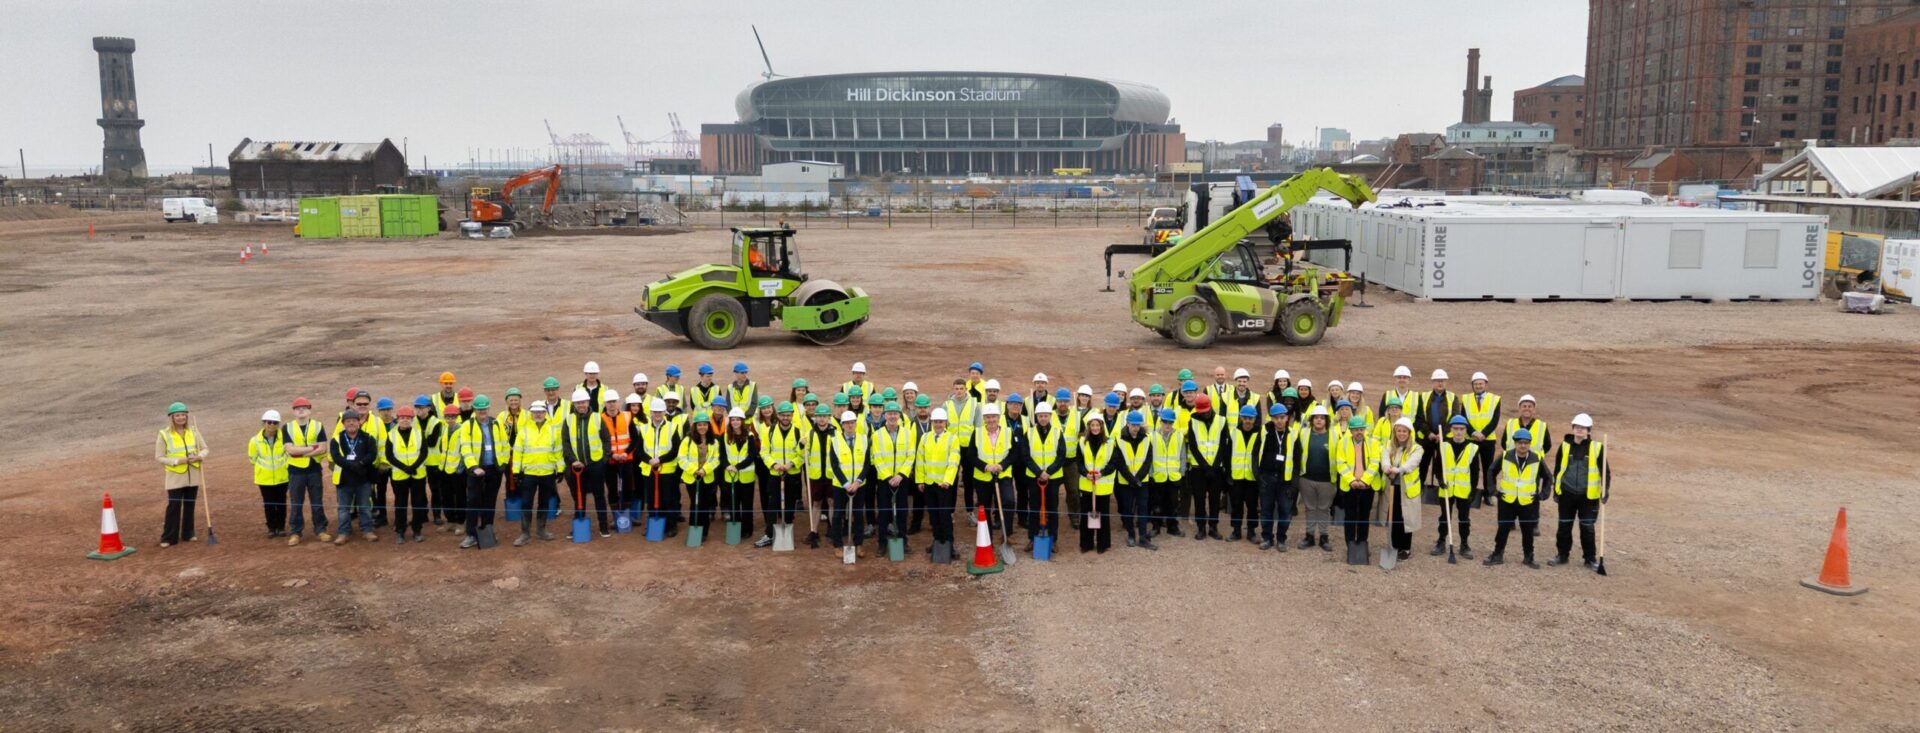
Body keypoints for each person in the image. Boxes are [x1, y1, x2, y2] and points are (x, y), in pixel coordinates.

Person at [1550, 413, 1611, 569]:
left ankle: (1590, 559)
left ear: (1588, 431)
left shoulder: (1597, 448)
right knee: (1564, 526)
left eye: (1583, 427)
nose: (1579, 429)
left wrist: (1605, 491)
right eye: (1577, 427)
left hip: (1588, 496)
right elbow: (1558, 470)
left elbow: (1605, 472)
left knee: (1587, 528)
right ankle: (1562, 555)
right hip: (1566, 494)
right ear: (1573, 428)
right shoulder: (1564, 446)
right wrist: (1556, 491)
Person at [1485, 429, 1547, 568]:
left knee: (1527, 530)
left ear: (1530, 444)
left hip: (1527, 501)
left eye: (1526, 443)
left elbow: (1548, 477)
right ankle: (1497, 554)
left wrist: (1543, 495)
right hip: (1507, 500)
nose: (1523, 446)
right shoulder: (1506, 456)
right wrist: (1493, 490)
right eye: (1520, 443)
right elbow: (1491, 471)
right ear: (1515, 443)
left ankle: (1529, 557)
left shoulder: (1536, 458)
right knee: (1503, 528)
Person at [154, 402, 209, 547]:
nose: (180, 418)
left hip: (193, 474)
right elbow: (159, 457)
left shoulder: (194, 431)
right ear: (171, 417)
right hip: (175, 476)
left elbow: (205, 449)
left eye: (183, 415)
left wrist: (200, 456)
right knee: (174, 505)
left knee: (190, 504)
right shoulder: (164, 434)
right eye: (177, 415)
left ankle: (188, 533)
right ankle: (168, 537)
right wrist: (177, 461)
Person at [458, 395, 511, 547]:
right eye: (479, 409)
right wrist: (474, 467)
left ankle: (487, 529)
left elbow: (504, 444)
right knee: (473, 501)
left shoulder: (496, 423)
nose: (482, 411)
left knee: (490, 501)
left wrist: (502, 465)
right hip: (475, 470)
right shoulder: (467, 425)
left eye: (484, 409)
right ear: (475, 410)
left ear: (488, 409)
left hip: (493, 469)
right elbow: (465, 448)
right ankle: (471, 534)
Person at [562, 388, 614, 537]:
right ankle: (578, 523)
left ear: (588, 402)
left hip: (595, 464)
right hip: (577, 466)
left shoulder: (598, 418)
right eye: (578, 403)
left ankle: (603, 526)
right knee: (579, 496)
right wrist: (573, 461)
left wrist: (603, 460)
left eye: (583, 402)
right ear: (574, 404)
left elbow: (606, 440)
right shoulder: (569, 420)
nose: (581, 405)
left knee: (599, 495)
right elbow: (566, 443)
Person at [510, 401, 563, 544]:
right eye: (535, 412)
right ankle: (525, 533)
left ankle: (541, 530)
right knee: (526, 502)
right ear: (531, 414)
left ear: (545, 413)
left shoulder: (553, 430)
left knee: (544, 502)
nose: (538, 414)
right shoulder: (524, 431)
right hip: (529, 474)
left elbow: (558, 451)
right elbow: (517, 453)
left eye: (540, 412)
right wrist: (516, 472)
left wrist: (561, 469)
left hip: (547, 473)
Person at [282, 396, 329, 546]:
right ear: (294, 412)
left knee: (317, 502)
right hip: (295, 471)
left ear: (309, 410)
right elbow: (289, 450)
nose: (301, 410)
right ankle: (295, 532)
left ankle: (320, 530)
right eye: (297, 408)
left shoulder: (318, 425)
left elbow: (323, 448)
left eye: (304, 407)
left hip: (313, 469)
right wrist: (312, 448)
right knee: (296, 503)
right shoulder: (287, 427)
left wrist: (300, 452)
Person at [870, 400, 916, 553]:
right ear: (885, 415)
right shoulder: (877, 435)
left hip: (901, 480)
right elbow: (877, 457)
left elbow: (910, 456)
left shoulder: (908, 434)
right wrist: (889, 476)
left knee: (902, 511)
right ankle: (882, 543)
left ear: (899, 415)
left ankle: (903, 541)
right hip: (884, 480)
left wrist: (901, 475)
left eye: (895, 414)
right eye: (889, 414)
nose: (892, 416)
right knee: (884, 512)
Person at [1020, 403, 1066, 551]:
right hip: (1034, 477)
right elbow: (1026, 456)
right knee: (1034, 507)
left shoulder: (1058, 433)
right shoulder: (1030, 433)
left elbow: (1061, 455)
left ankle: (1053, 539)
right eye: (1041, 416)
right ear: (1037, 417)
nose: (1043, 418)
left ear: (1050, 416)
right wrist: (1039, 473)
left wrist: (1049, 472)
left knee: (1052, 508)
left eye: (1046, 415)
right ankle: (1032, 538)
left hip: (1053, 478)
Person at [1432, 416, 1480, 558]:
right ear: (1451, 430)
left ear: (1466, 430)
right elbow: (1437, 467)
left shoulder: (1473, 448)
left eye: (1461, 429)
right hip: (1446, 488)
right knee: (1444, 517)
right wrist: (1440, 479)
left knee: (1464, 518)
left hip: (1463, 490)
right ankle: (1441, 541)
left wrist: (1473, 490)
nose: (1458, 432)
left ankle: (1464, 544)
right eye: (1455, 429)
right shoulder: (1443, 445)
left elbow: (1475, 471)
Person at [329, 410, 379, 544]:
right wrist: (352, 466)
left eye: (354, 420)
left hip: (363, 479)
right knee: (344, 509)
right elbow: (336, 457)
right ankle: (343, 533)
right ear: (343, 424)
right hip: (344, 480)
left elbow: (372, 454)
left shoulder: (368, 438)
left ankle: (367, 530)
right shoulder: (337, 439)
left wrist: (361, 463)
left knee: (365, 507)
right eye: (348, 421)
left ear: (359, 422)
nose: (351, 423)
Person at [1377, 417, 1424, 561]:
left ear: (1409, 433)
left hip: (1407, 489)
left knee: (1406, 518)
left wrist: (1399, 469)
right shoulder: (1389, 445)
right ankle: (1394, 545)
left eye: (1404, 431)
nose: (1401, 434)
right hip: (1392, 487)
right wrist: (1386, 467)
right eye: (1399, 431)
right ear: (1395, 431)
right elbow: (1384, 458)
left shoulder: (1417, 448)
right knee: (1394, 516)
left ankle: (1405, 547)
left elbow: (1412, 463)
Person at [1334, 413, 1382, 554]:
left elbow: (1374, 463)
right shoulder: (1343, 443)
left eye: (1361, 429)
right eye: (1356, 429)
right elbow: (1340, 464)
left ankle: (1362, 543)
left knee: (1364, 516)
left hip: (1368, 486)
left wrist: (1364, 480)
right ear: (1351, 430)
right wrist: (1353, 480)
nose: (1359, 432)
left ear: (1364, 430)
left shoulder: (1373, 443)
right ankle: (1350, 545)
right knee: (1350, 516)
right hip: (1350, 486)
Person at [759, 401, 805, 547]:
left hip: (792, 474)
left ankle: (787, 532)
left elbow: (802, 455)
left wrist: (790, 464)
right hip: (775, 474)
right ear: (777, 415)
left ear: (792, 416)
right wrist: (775, 465)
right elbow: (764, 452)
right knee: (772, 503)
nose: (786, 417)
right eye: (783, 415)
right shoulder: (769, 431)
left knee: (790, 504)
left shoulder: (798, 432)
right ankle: (769, 534)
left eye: (788, 415)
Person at [636, 398, 683, 537]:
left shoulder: (672, 427)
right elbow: (639, 450)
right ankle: (653, 524)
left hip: (667, 470)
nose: (657, 414)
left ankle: (671, 525)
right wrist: (649, 460)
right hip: (649, 469)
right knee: (651, 499)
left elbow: (676, 449)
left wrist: (660, 460)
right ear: (650, 412)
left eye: (660, 411)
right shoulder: (644, 428)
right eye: (655, 411)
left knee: (669, 498)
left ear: (664, 412)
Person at [1255, 403, 1299, 551]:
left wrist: (1294, 483)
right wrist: (1258, 475)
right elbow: (1255, 454)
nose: (1279, 421)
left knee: (1285, 511)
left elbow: (1297, 460)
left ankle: (1281, 539)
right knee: (1266, 509)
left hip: (1285, 480)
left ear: (1287, 418)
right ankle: (1267, 538)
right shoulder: (1264, 432)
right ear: (1272, 419)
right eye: (1276, 418)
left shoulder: (1293, 435)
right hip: (1267, 478)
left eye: (1282, 417)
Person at [971, 402, 1017, 543]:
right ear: (984, 418)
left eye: (994, 417)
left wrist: (1002, 465)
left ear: (998, 417)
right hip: (983, 477)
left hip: (1003, 475)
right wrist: (985, 466)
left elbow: (1014, 454)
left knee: (1009, 502)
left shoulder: (1008, 432)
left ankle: (1006, 534)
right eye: (988, 417)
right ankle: (987, 539)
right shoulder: (977, 433)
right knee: (984, 508)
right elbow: (971, 456)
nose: (991, 420)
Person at [915, 408, 959, 554]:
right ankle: (936, 540)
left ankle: (949, 543)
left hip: (944, 485)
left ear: (945, 422)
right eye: (935, 422)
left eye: (940, 422)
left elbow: (953, 462)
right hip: (929, 484)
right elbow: (920, 460)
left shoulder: (952, 438)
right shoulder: (925, 438)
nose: (938, 424)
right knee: (933, 516)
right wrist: (920, 480)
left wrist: (947, 480)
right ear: (932, 422)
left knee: (945, 515)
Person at [384, 404, 430, 543]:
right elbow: (389, 455)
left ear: (412, 419)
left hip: (417, 474)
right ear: (397, 419)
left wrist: (414, 466)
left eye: (408, 418)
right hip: (400, 475)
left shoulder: (418, 433)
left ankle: (417, 530)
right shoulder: (391, 434)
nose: (405, 420)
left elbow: (424, 452)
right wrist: (404, 467)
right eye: (402, 418)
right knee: (400, 504)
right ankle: (400, 531)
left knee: (418, 503)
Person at [1184, 395, 1227, 540]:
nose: (1204, 414)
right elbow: (1193, 446)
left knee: (1215, 499)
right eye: (1202, 412)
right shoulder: (1193, 421)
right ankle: (1201, 527)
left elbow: (1222, 445)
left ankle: (1213, 527)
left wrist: (1214, 466)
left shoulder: (1221, 421)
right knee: (1199, 499)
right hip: (1198, 469)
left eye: (1206, 411)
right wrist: (1204, 466)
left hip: (1216, 468)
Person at [1495, 395, 1550, 507]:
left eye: (1530, 406)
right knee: (1511, 491)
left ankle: (1530, 518)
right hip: (1512, 462)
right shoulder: (1510, 424)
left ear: (1534, 409)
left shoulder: (1541, 426)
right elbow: (1504, 442)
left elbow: (1547, 445)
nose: (1527, 408)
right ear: (1519, 408)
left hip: (1533, 464)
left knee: (1530, 493)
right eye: (1524, 406)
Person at [827, 411, 869, 555]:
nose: (849, 425)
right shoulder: (835, 441)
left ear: (856, 423)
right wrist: (845, 484)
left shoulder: (864, 439)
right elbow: (834, 465)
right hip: (840, 486)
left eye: (852, 422)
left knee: (858, 515)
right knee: (838, 514)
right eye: (846, 423)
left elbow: (867, 464)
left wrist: (857, 482)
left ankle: (859, 544)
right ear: (842, 425)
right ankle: (837, 545)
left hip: (859, 485)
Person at [1115, 410, 1157, 550]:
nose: (1135, 428)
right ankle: (1131, 534)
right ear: (1127, 423)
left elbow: (1148, 460)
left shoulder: (1146, 438)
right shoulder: (1118, 438)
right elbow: (1119, 463)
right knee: (1127, 510)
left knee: (1143, 509)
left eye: (1137, 425)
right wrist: (1131, 479)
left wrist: (1137, 479)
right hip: (1125, 482)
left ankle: (1143, 536)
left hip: (1141, 482)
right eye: (1133, 425)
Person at [1296, 405, 1337, 551]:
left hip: (1327, 480)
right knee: (1310, 508)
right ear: (1312, 420)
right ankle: (1310, 536)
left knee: (1324, 509)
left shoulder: (1334, 434)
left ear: (1326, 420)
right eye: (1316, 418)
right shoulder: (1304, 433)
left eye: (1322, 418)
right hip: (1306, 478)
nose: (1319, 420)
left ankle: (1324, 537)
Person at [1412, 369, 1458, 496]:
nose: (1440, 383)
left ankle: (1444, 489)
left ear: (1446, 382)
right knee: (1422, 464)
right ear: (1433, 382)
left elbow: (1454, 418)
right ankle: (1418, 488)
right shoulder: (1424, 396)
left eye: (1442, 381)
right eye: (1438, 381)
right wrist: (1429, 433)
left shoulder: (1453, 397)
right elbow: (1419, 417)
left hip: (1444, 437)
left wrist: (1441, 434)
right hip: (1427, 437)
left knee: (1443, 463)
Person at [1076, 412, 1117, 553]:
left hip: (1103, 486)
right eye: (1092, 425)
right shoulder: (1082, 442)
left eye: (1097, 425)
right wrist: (1085, 473)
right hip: (1087, 485)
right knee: (1086, 515)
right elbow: (1079, 462)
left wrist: (1102, 473)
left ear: (1101, 426)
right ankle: (1086, 544)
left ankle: (1102, 544)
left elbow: (1113, 462)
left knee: (1103, 516)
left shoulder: (1110, 443)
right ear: (1088, 427)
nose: (1095, 428)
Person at [247, 409, 290, 540]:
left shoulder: (285, 438)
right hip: (264, 479)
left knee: (281, 502)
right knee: (269, 503)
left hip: (282, 477)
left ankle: (281, 527)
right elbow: (252, 459)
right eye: (269, 422)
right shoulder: (254, 441)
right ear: (263, 423)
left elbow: (288, 455)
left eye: (275, 423)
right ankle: (271, 528)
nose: (272, 425)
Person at [1461, 371, 1502, 503]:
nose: (1478, 386)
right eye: (1476, 384)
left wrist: (1483, 433)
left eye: (1481, 383)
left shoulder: (1495, 399)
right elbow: (1464, 418)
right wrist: (1473, 432)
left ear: (1486, 384)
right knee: (1472, 467)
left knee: (1488, 467)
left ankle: (1488, 494)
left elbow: (1494, 420)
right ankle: (1471, 492)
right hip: (1470, 438)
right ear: (1472, 385)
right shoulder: (1466, 399)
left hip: (1487, 439)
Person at [680, 410, 722, 536]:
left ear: (708, 426)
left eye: (704, 424)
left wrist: (704, 470)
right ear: (695, 426)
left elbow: (716, 459)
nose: (702, 427)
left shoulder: (714, 442)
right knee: (695, 503)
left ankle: (704, 531)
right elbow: (681, 458)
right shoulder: (687, 440)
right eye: (699, 425)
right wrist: (694, 470)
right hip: (691, 478)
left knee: (705, 504)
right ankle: (694, 528)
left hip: (707, 477)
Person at [1225, 404, 1264, 542]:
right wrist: (1228, 475)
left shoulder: (1260, 434)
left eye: (1251, 418)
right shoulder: (1233, 433)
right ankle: (1236, 531)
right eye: (1245, 418)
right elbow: (1227, 455)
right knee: (1236, 506)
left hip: (1253, 478)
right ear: (1241, 418)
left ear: (1255, 419)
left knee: (1252, 506)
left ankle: (1251, 532)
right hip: (1236, 477)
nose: (1248, 421)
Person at [720, 408, 759, 541]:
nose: (735, 422)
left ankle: (747, 529)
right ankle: (735, 526)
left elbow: (752, 456)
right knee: (733, 504)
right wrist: (727, 466)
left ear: (742, 421)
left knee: (747, 504)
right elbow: (722, 455)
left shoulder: (750, 436)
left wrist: (738, 467)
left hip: (746, 476)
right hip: (730, 476)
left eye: (737, 419)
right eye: (733, 419)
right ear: (730, 421)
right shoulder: (725, 436)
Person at [1149, 406, 1186, 538]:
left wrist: (1182, 472)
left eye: (1170, 422)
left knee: (1173, 504)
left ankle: (1173, 527)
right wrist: (1151, 473)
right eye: (1165, 421)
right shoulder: (1152, 436)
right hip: (1158, 477)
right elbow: (1149, 457)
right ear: (1160, 421)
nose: (1168, 424)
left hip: (1174, 476)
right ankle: (1156, 527)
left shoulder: (1179, 436)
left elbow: (1183, 456)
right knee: (1156, 504)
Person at [433, 403, 465, 532]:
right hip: (444, 469)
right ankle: (450, 520)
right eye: (447, 417)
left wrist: (460, 467)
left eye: (452, 417)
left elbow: (465, 450)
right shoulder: (444, 429)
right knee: (446, 496)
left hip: (457, 471)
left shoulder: (462, 430)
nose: (450, 419)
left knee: (460, 497)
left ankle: (460, 522)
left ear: (457, 417)